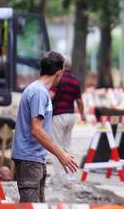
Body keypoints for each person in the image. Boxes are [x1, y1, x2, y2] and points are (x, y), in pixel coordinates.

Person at [12, 51, 78, 202]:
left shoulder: (41, 91)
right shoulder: (38, 92)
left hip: (35, 159)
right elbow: (36, 129)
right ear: (59, 73)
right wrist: (61, 154)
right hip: (29, 159)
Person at [49, 56, 86, 181]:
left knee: (56, 146)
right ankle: (71, 174)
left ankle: (60, 176)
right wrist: (83, 115)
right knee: (67, 146)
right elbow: (79, 101)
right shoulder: (75, 81)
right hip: (71, 116)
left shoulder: (59, 78)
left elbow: (51, 95)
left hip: (59, 115)